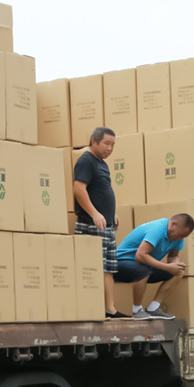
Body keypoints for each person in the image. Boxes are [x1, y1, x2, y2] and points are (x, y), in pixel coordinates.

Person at [73, 127, 125, 319]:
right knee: (94, 268)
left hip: (106, 226)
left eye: (113, 145)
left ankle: (110, 309)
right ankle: (91, 309)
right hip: (91, 225)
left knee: (109, 269)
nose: (110, 148)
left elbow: (102, 191)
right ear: (94, 141)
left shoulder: (102, 164)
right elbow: (79, 189)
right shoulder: (86, 161)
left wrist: (113, 214)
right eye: (106, 143)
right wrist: (94, 213)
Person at [115, 214, 194, 320]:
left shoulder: (178, 237)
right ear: (173, 224)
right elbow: (140, 255)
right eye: (180, 234)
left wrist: (176, 265)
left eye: (183, 237)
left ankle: (154, 308)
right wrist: (167, 267)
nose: (180, 238)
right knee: (143, 271)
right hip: (121, 263)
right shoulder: (157, 229)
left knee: (179, 273)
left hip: (142, 265)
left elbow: (173, 256)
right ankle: (137, 310)